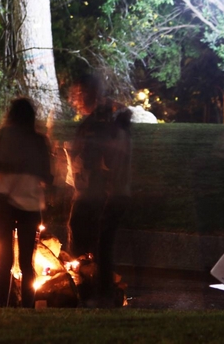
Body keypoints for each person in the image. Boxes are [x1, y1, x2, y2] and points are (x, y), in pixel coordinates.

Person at [0, 98, 53, 308]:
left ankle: (1, 306)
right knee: (26, 263)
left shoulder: (2, 136)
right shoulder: (38, 141)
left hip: (2, 202)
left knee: (4, 261)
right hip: (30, 205)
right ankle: (28, 307)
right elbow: (47, 176)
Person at [67, 73, 132, 304]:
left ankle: (87, 292)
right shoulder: (112, 118)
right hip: (112, 193)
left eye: (77, 94)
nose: (74, 100)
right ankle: (99, 292)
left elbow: (97, 160)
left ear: (87, 93)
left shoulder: (97, 124)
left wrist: (77, 156)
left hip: (99, 195)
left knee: (88, 242)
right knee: (102, 246)